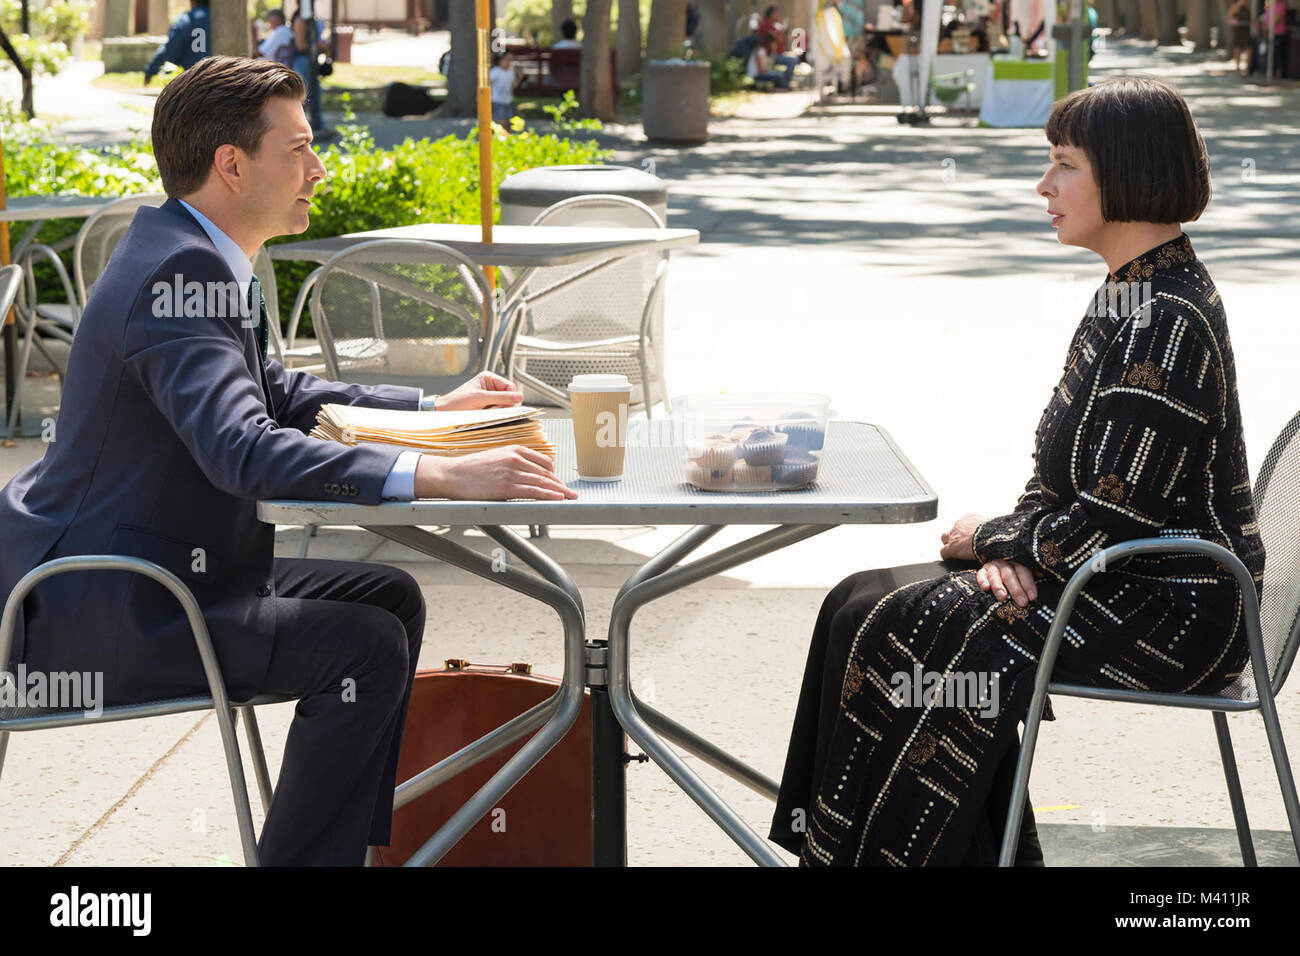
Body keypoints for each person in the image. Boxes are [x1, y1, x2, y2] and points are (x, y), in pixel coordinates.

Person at [0, 55, 577, 866]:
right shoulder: (181, 271)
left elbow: (276, 391)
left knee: (389, 600)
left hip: (144, 576)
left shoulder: (189, 250)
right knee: (363, 646)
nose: (319, 167)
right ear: (231, 165)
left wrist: (430, 410)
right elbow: (244, 448)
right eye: (298, 148)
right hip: (104, 607)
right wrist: (438, 473)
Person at [770, 76, 1265, 866]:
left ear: (1127, 172)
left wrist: (994, 540)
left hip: (1172, 605)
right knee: (858, 596)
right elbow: (1057, 471)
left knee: (912, 626)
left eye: (1064, 164)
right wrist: (1009, 549)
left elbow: (1117, 512)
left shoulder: (1165, 315)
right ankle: (845, 849)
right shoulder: (1127, 293)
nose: (1044, 185)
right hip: (1109, 572)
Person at [290, 3, 332, 141]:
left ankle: (317, 125)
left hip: (310, 61)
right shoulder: (301, 20)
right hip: (302, 61)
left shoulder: (310, 19)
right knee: (306, 95)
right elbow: (301, 45)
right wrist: (321, 46)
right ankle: (302, 128)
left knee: (315, 94)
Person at [142, 0, 209, 86]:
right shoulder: (221, 19)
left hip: (193, 81)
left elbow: (170, 50)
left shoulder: (188, 20)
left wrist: (151, 70)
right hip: (220, 79)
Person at [489, 51, 519, 127]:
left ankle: (507, 137)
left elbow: (514, 85)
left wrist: (520, 76)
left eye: (511, 60)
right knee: (500, 122)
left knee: (510, 123)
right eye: (507, 59)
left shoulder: (511, 71)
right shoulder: (495, 71)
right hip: (497, 101)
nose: (509, 62)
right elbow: (488, 83)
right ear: (500, 60)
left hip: (508, 100)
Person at [1227, 0, 1253, 77]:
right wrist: (1234, 22)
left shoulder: (1248, 7)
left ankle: (1247, 70)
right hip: (1238, 31)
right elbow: (1229, 19)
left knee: (1249, 50)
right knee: (1237, 49)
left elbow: (1251, 18)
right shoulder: (1235, 7)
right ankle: (1237, 68)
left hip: (1246, 31)